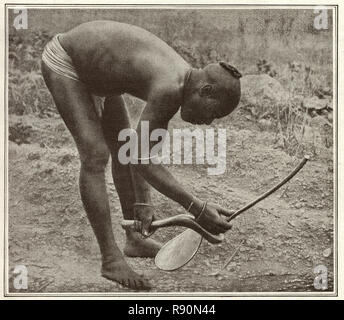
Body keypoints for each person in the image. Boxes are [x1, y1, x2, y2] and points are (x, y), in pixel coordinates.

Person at [41, 20, 241, 290]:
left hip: (101, 77)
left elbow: (138, 153)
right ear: (205, 91)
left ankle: (135, 239)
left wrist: (143, 206)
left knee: (124, 148)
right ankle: (110, 259)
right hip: (68, 62)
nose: (208, 123)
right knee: (95, 156)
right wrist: (197, 208)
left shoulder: (181, 83)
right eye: (213, 113)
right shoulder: (170, 87)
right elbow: (142, 159)